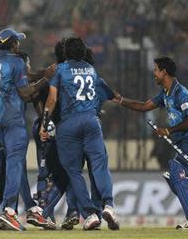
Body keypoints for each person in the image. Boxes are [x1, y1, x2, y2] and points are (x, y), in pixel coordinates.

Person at [114, 56, 188, 229]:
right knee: (175, 178)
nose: (153, 73)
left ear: (164, 72)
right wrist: (122, 101)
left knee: (176, 171)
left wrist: (168, 130)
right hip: (184, 142)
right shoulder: (165, 94)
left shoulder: (182, 93)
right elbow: (145, 106)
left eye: (155, 70)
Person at [40, 37, 119, 231]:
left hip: (68, 124)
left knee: (73, 171)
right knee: (100, 164)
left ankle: (90, 214)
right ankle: (108, 204)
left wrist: (45, 122)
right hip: (91, 121)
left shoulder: (61, 70)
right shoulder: (91, 70)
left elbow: (52, 98)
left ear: (66, 53)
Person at [0, 28, 51, 231]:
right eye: (18, 42)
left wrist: (41, 74)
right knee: (15, 163)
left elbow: (22, 78)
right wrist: (46, 80)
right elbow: (24, 93)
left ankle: (31, 208)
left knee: (16, 164)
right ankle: (9, 211)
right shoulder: (16, 61)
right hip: (12, 119)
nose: (19, 45)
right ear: (13, 44)